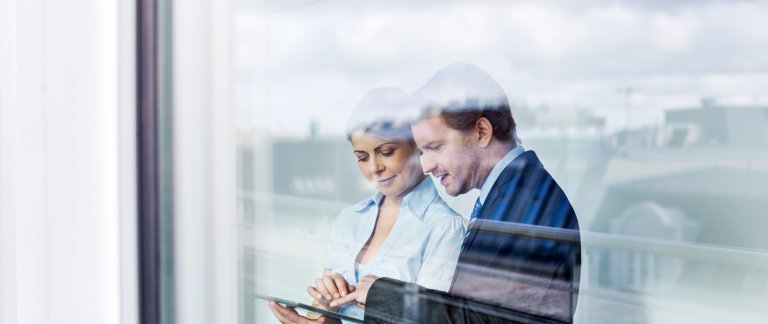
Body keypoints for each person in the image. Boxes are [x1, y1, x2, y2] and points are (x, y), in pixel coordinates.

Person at [330, 63, 582, 323]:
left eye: (435, 147)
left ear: (482, 132)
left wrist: (382, 294)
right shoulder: (512, 194)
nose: (427, 165)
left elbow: (481, 321)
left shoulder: (527, 205)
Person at [268, 87, 466, 323]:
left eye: (386, 151)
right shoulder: (350, 218)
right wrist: (319, 311)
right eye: (362, 157)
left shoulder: (446, 228)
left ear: (417, 145)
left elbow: (432, 320)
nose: (374, 168)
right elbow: (323, 315)